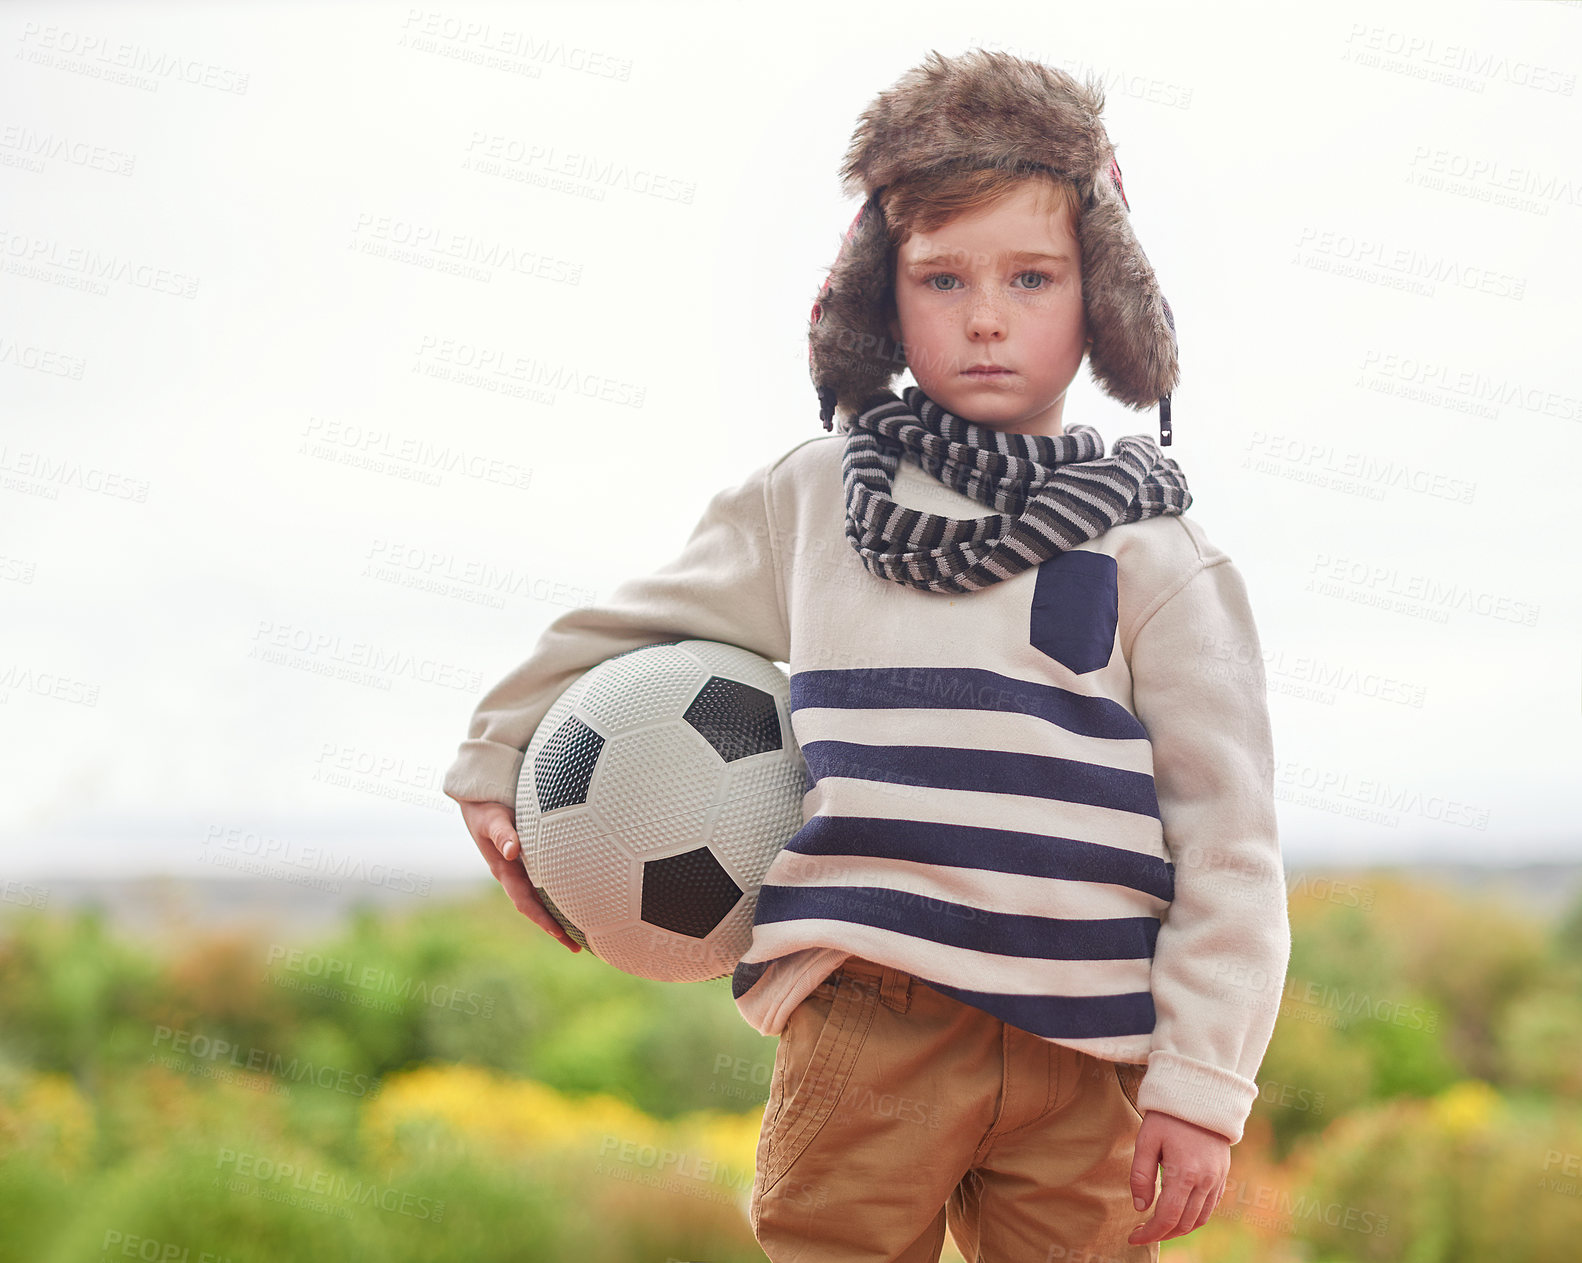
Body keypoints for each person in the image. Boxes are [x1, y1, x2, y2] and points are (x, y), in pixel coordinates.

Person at [443, 47, 1290, 1262]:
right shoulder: (815, 502)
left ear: (1100, 299)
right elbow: (629, 621)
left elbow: (1229, 846)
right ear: (878, 300)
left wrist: (1201, 1086)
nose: (985, 315)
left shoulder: (1162, 557)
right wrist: (492, 754)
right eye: (940, 279)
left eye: (1031, 276)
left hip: (1088, 1051)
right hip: (865, 1025)